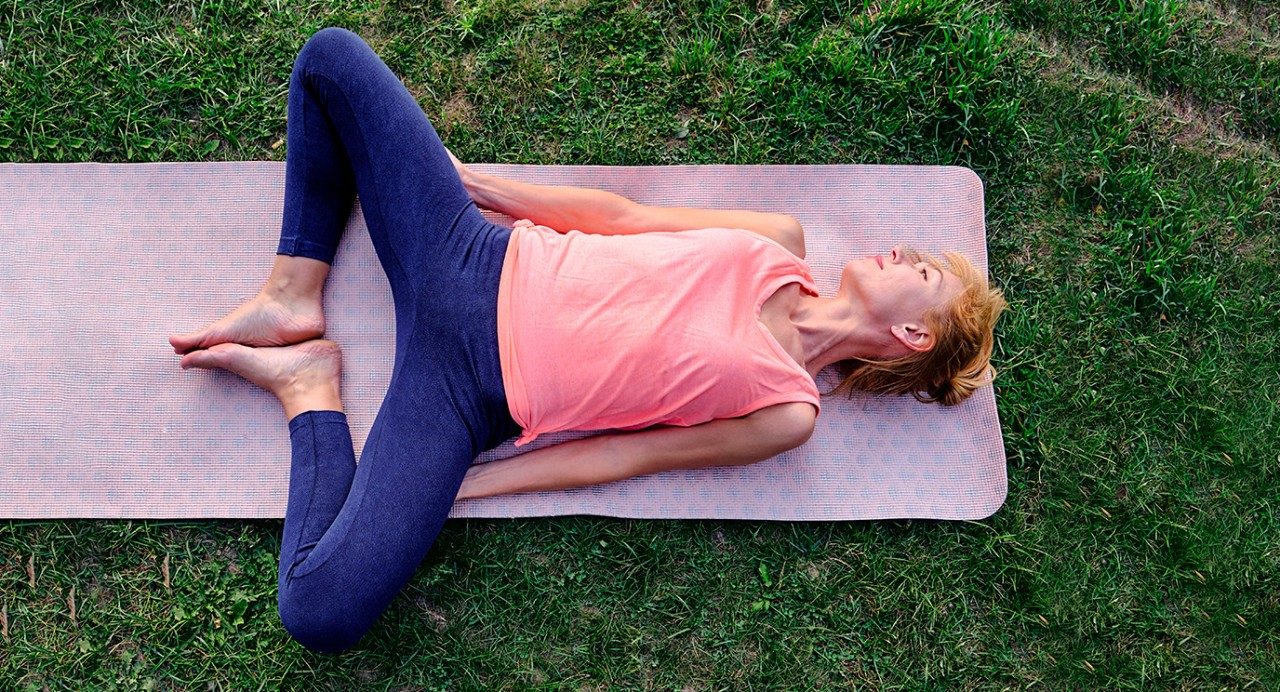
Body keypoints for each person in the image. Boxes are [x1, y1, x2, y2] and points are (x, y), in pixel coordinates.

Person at [168, 27, 1006, 654]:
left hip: (465, 396)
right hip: (468, 254)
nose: (900, 252)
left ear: (909, 334)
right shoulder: (778, 241)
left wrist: (468, 488)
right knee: (331, 61)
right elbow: (623, 219)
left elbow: (619, 457)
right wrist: (470, 183)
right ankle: (291, 293)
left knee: (319, 610)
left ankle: (306, 387)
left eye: (922, 272)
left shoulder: (788, 412)